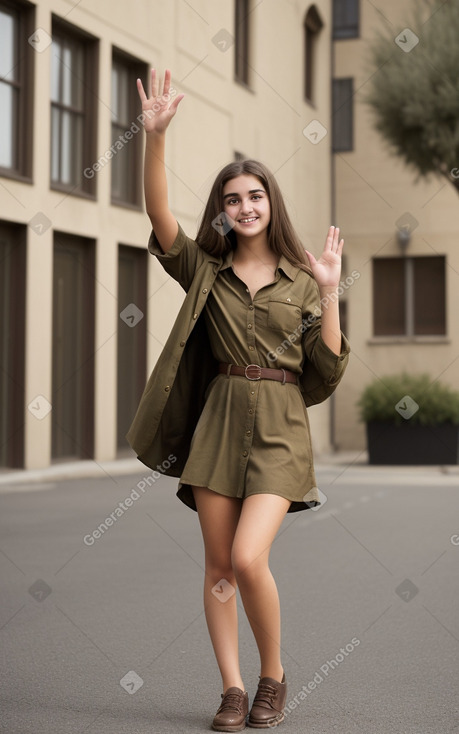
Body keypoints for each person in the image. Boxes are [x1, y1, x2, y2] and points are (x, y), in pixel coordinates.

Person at [127, 69, 350, 731]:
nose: (244, 205)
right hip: (218, 421)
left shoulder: (302, 282)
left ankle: (272, 676)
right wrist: (156, 138)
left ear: (269, 203)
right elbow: (158, 215)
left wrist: (331, 292)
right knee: (219, 564)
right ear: (222, 209)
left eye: (255, 195)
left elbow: (327, 368)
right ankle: (230, 688)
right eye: (232, 197)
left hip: (280, 425)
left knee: (251, 558)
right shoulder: (204, 268)